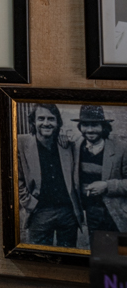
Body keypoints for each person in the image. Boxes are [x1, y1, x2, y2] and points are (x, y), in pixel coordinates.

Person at [17, 103, 82, 247]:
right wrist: (29, 203)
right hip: (39, 212)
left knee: (68, 255)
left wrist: (65, 134)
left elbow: (83, 138)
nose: (46, 123)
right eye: (41, 118)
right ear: (33, 121)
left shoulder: (67, 144)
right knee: (39, 255)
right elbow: (16, 179)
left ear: (58, 122)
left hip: (67, 213)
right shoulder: (21, 143)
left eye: (51, 119)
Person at [72, 105, 127, 240]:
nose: (90, 130)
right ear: (80, 127)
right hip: (92, 214)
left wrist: (107, 186)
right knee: (99, 250)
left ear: (103, 126)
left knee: (120, 251)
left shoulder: (121, 148)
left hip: (117, 213)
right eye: (85, 125)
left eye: (95, 125)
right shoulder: (75, 146)